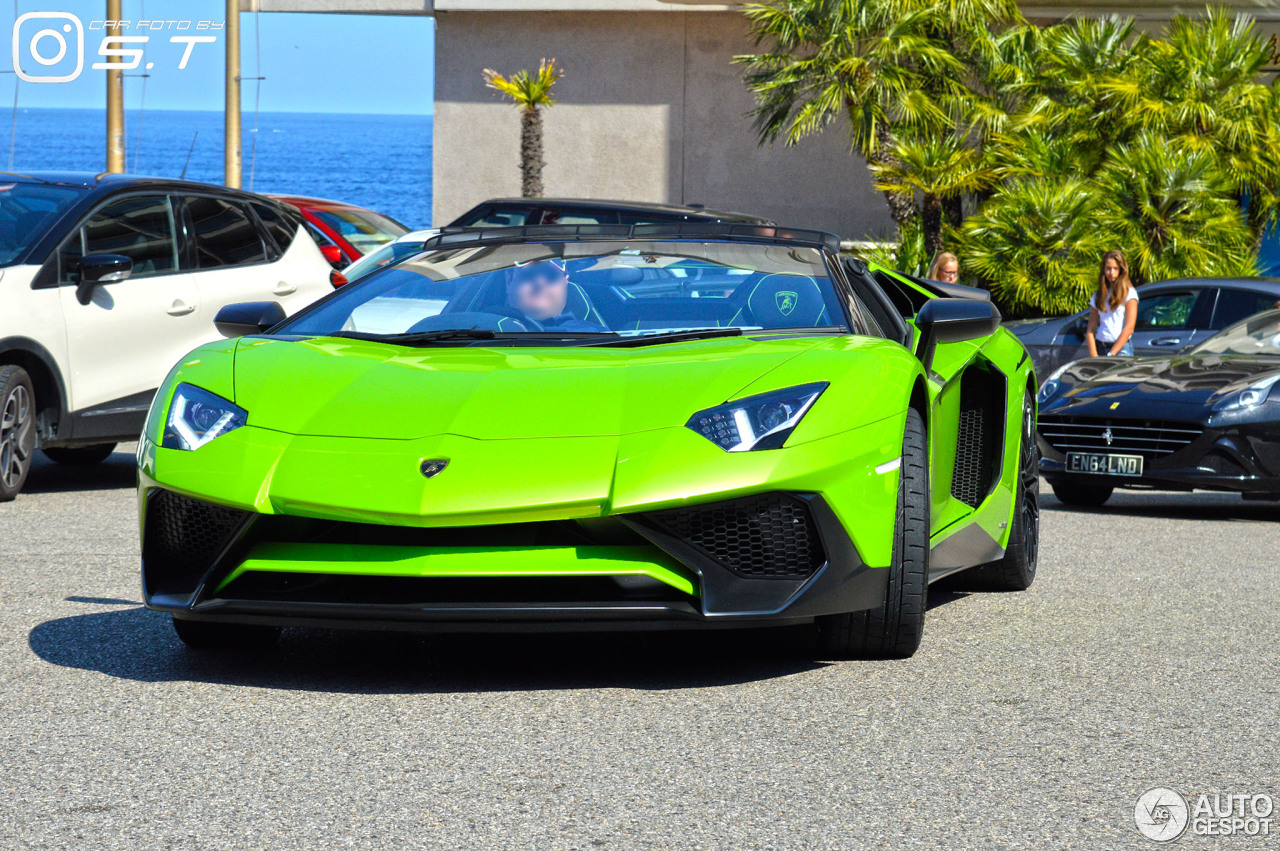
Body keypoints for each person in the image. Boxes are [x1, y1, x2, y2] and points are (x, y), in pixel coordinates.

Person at [504, 259, 605, 331]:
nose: (540, 283)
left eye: (551, 276)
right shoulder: (491, 327)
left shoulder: (597, 335)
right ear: (508, 282)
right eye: (529, 275)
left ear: (565, 282)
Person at [1086, 249, 1138, 357]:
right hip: (1101, 346)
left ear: (1121, 270)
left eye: (1115, 268)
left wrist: (1112, 354)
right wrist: (1094, 354)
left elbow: (1129, 328)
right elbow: (1091, 328)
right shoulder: (1098, 295)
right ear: (1103, 269)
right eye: (1108, 268)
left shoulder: (1129, 293)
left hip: (1121, 349)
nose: (1111, 272)